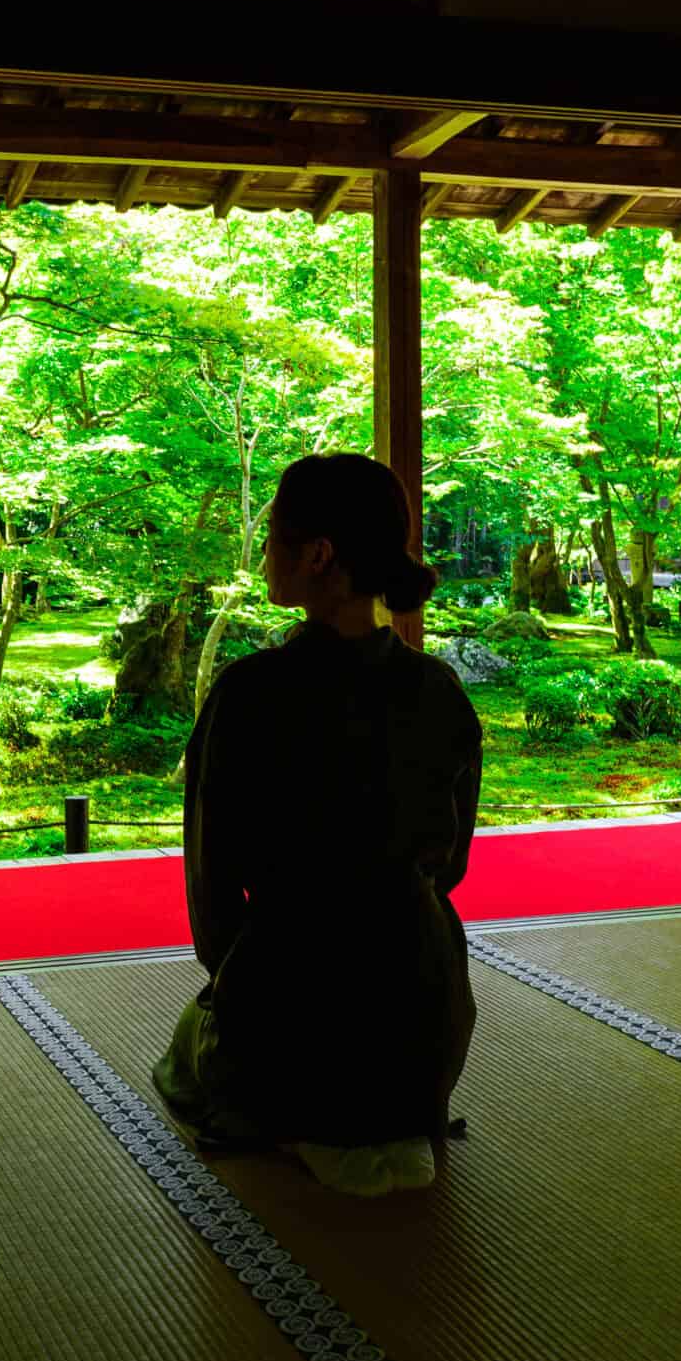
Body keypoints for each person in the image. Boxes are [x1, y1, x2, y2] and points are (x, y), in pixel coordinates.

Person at [153, 453, 483, 1198]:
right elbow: (449, 865)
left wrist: (242, 989)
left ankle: (302, 1116)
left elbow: (212, 891)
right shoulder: (438, 690)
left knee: (185, 1049)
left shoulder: (250, 694)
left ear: (319, 555)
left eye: (272, 532)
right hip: (423, 1025)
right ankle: (382, 1117)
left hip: (291, 1007)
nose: (263, 550)